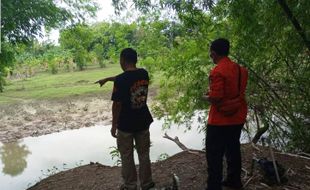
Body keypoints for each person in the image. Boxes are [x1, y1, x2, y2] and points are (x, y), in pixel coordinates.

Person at [96, 48, 155, 190]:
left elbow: (117, 104)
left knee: (127, 156)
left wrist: (113, 125)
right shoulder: (144, 73)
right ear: (135, 60)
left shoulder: (122, 80)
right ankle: (147, 184)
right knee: (144, 154)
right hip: (143, 121)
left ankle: (130, 185)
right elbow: (126, 78)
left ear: (122, 60)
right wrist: (108, 79)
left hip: (126, 125)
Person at [202, 38, 248, 190]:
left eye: (211, 54)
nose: (211, 57)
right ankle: (234, 180)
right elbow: (235, 91)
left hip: (219, 121)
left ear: (214, 53)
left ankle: (214, 186)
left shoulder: (217, 71)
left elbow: (216, 97)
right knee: (233, 149)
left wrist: (207, 97)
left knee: (214, 156)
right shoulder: (241, 70)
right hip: (238, 116)